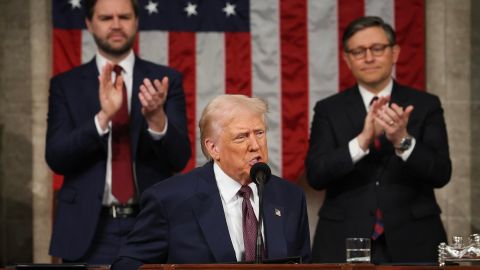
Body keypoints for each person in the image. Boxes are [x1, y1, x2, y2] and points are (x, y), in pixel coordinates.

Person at [45, 0, 191, 264]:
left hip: (151, 225)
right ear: (89, 24)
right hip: (88, 230)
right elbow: (56, 157)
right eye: (105, 18)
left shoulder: (165, 80)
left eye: (124, 17)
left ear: (136, 21)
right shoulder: (65, 85)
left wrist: (157, 119)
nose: (115, 25)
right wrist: (102, 118)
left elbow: (180, 159)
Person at [306, 16, 451, 264]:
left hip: (416, 240)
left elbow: (441, 173)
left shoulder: (426, 104)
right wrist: (361, 142)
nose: (369, 58)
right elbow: (316, 175)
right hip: (343, 240)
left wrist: (402, 140)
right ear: (347, 59)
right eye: (359, 51)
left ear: (394, 52)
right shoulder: (328, 109)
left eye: (377, 48)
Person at [111, 94, 311, 269]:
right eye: (241, 137)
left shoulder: (289, 197)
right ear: (213, 148)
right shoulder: (169, 200)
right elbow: (126, 264)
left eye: (259, 133)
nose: (255, 145)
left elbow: (304, 266)